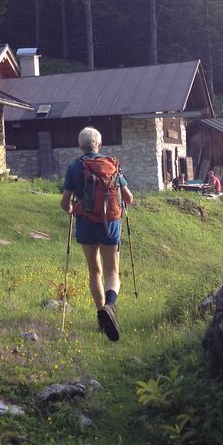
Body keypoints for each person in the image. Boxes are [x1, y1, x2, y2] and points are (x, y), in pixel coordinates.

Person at [60, 126, 135, 342]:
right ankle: (110, 306)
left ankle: (102, 315)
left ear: (80, 146)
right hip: (110, 224)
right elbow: (128, 198)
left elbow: (65, 203)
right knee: (113, 272)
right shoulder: (112, 165)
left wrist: (73, 210)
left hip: (86, 224)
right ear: (100, 145)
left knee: (95, 271)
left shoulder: (74, 167)